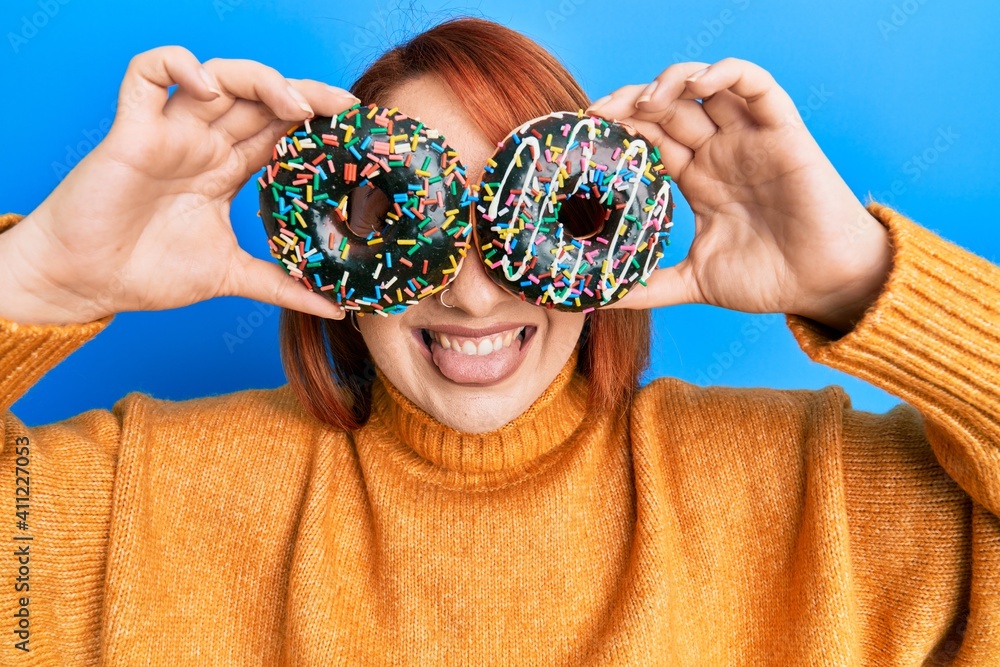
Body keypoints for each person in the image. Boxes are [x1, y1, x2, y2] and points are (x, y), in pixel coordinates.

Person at [0, 15, 995, 665]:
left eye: (533, 222)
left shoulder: (816, 491)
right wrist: (41, 277)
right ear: (323, 245)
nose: (472, 292)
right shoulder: (134, 499)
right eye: (398, 215)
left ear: (605, 225)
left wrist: (860, 278)